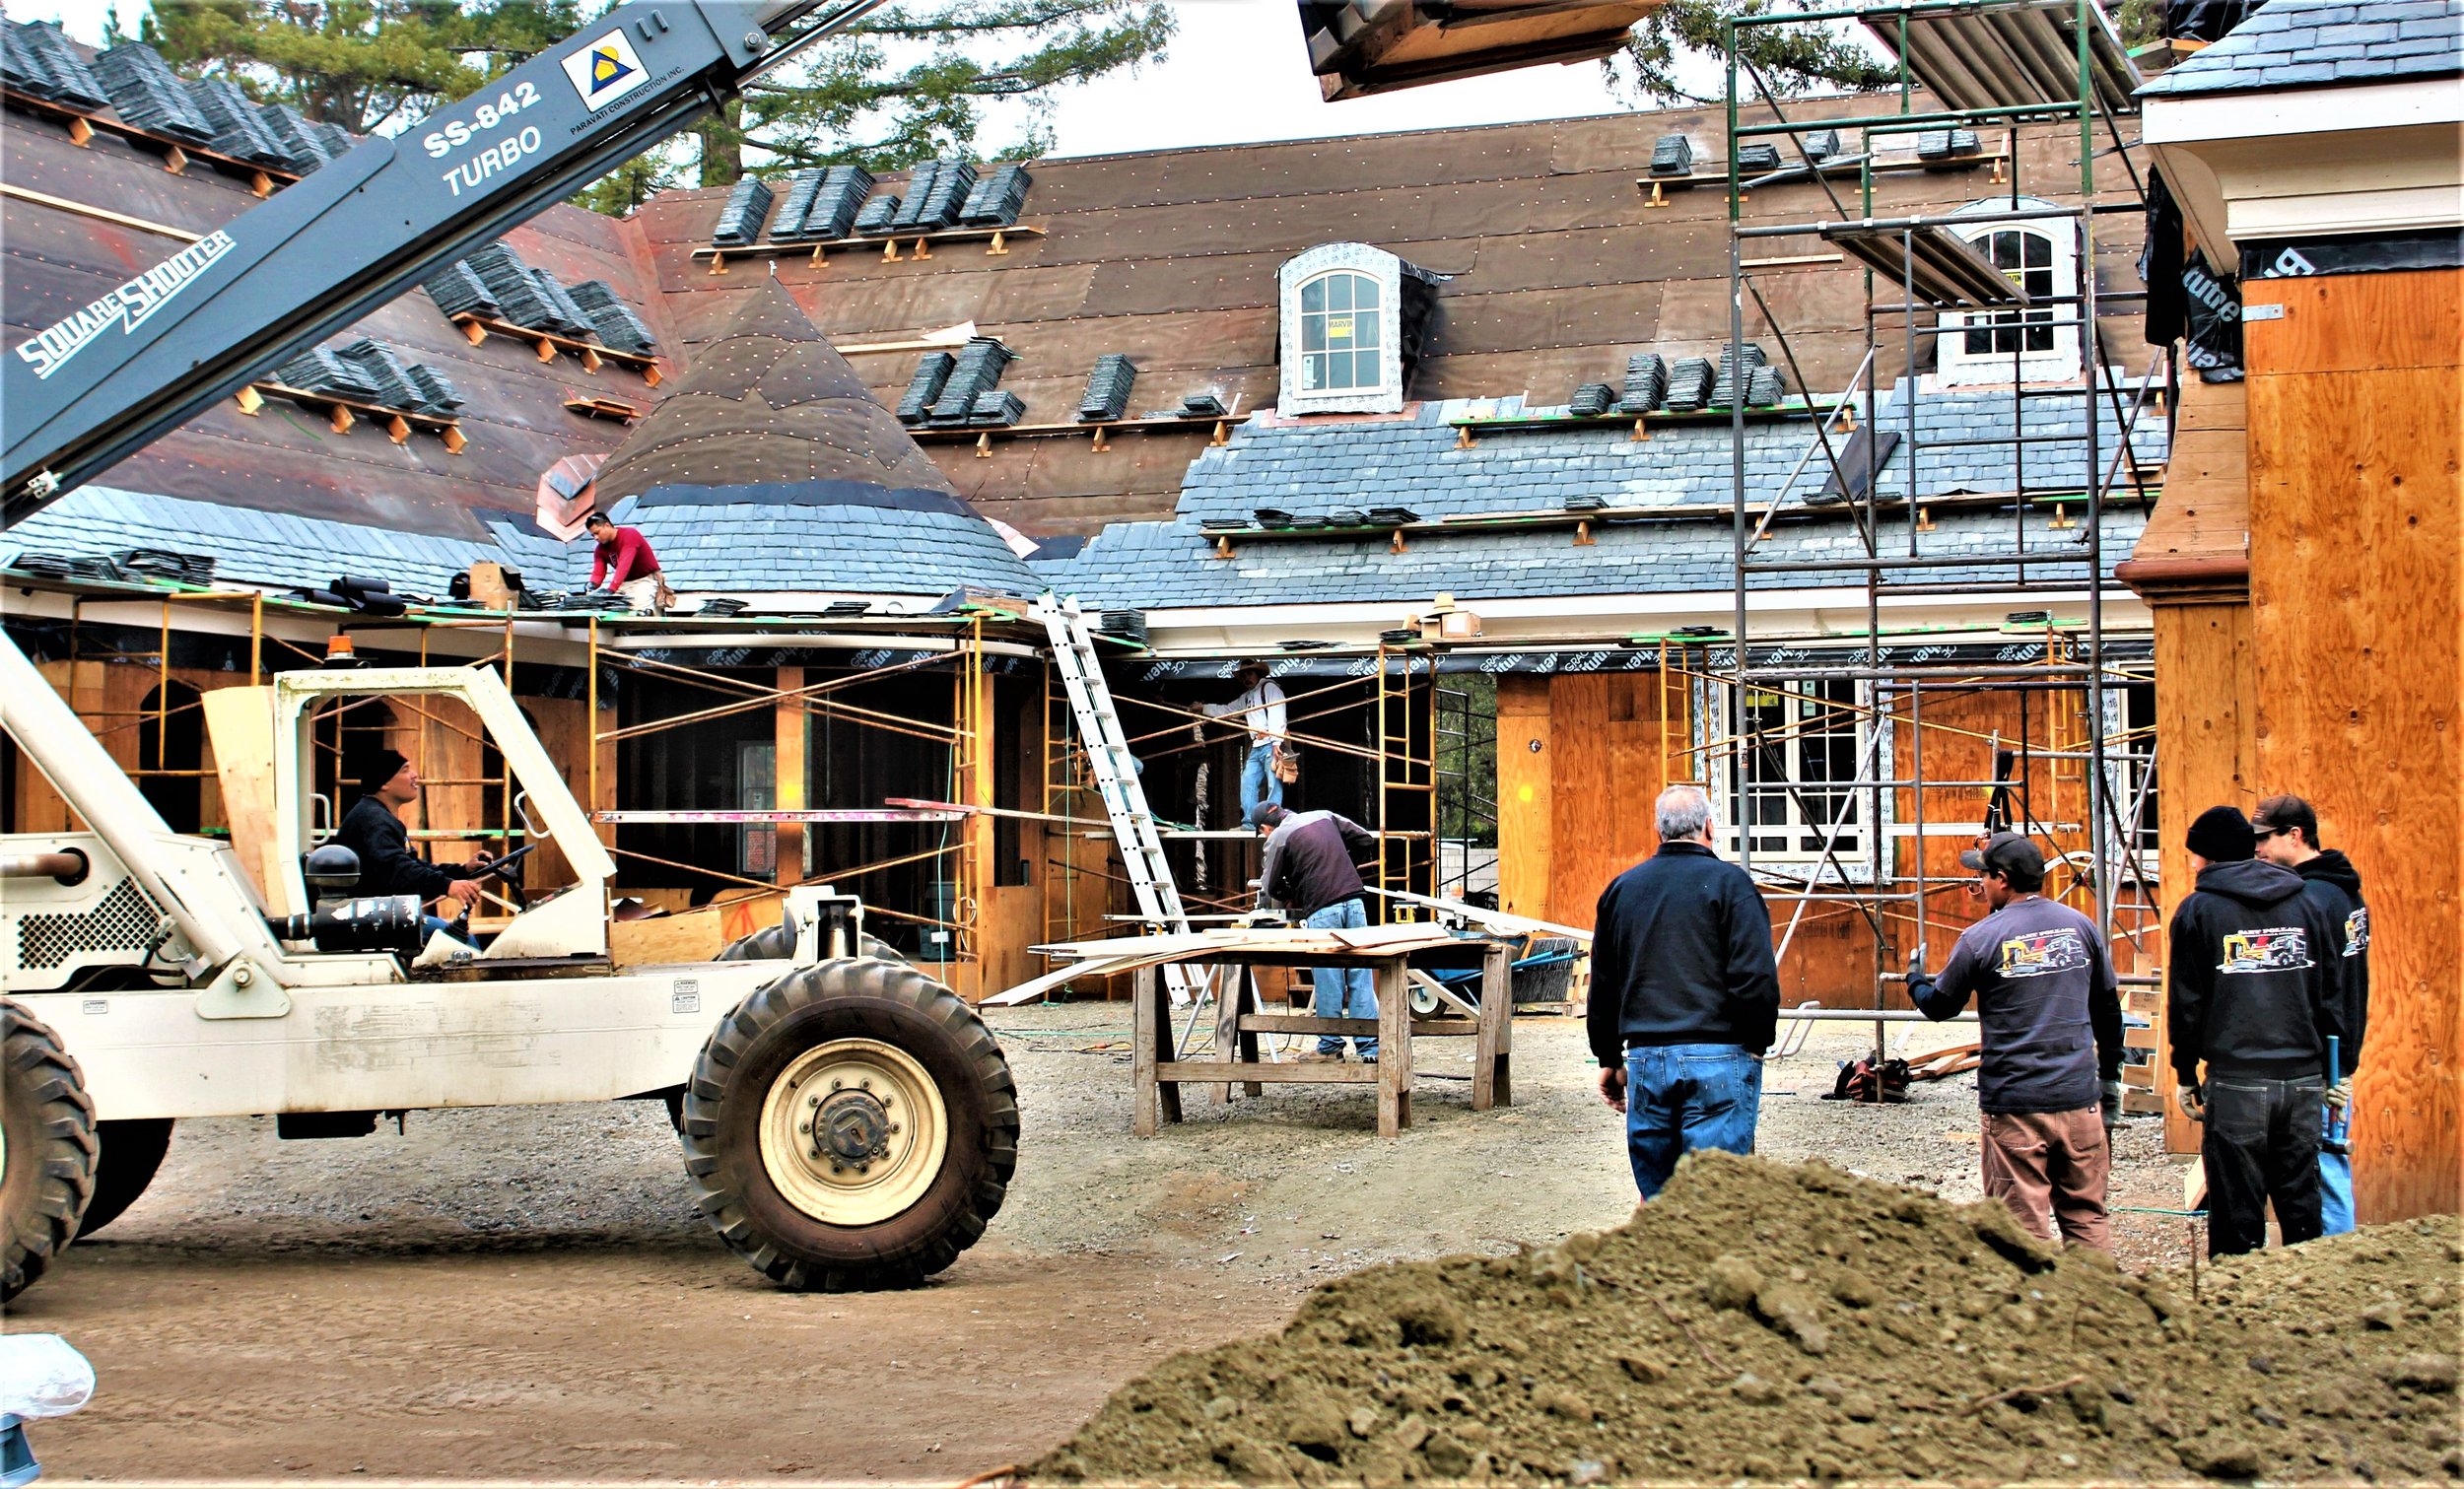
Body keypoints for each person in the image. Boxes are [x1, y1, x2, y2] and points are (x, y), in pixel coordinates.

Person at [1906, 832, 2124, 1250]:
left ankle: (2036, 1311)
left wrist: (1914, 978)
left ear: (2002, 879)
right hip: (2079, 1098)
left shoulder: (1980, 939)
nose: (1979, 884)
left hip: (2016, 1104)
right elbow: (2108, 1012)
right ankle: (2097, 1307)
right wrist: (2109, 1082)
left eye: (1983, 875)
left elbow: (1939, 1006)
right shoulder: (2082, 927)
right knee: (2086, 1218)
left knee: (2021, 1231)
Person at [2165, 804, 2346, 1258]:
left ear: (2208, 858)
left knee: (2236, 1218)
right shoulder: (2307, 901)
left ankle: (2237, 1320)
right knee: (2302, 1208)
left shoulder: (2199, 911)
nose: (2192, 864)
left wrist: (2185, 1072)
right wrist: (2335, 1072)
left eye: (2195, 855)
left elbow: (2187, 1004)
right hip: (2303, 1083)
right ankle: (2306, 1309)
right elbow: (2330, 994)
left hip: (2238, 1082)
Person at [1588, 783, 1780, 1200]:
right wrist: (1756, 1043)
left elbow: (1603, 983)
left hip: (1647, 1060)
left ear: (1659, 831)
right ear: (1709, 826)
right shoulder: (1733, 886)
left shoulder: (1621, 891)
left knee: (1659, 1204)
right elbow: (1757, 977)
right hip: (1720, 1056)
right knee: (1714, 1204)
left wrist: (1608, 1057)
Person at [2252, 792, 2369, 1234]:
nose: (2257, 850)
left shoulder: (2312, 900)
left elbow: (2322, 992)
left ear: (2294, 835)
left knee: (2322, 1175)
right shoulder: (2344, 891)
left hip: (2319, 1066)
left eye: (2264, 839)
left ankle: (2330, 1284)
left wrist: (2324, 1068)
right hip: (2337, 1059)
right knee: (2329, 1166)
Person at [1252, 801, 1381, 1063]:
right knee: (1361, 976)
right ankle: (1370, 1050)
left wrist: (1294, 892)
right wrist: (1343, 864)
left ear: (1265, 827)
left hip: (1323, 908)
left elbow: (1270, 886)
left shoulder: (1278, 837)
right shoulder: (1324, 815)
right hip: (1355, 901)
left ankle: (1331, 1046)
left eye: (1263, 832)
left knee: (1329, 978)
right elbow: (1365, 839)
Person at [333, 749, 494, 945]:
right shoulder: (374, 821)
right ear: (384, 783)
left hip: (384, 912)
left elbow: (411, 866)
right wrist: (447, 885)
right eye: (405, 770)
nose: (414, 775)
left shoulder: (377, 816)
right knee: (462, 941)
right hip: (374, 918)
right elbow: (398, 871)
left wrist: (461, 871)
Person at [1204, 662, 1287, 821]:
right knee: (1248, 781)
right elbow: (1228, 711)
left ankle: (1273, 820)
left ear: (1257, 674)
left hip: (1271, 743)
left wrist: (1277, 741)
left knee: (1273, 783)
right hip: (1257, 745)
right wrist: (1203, 709)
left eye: (1249, 674)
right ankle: (1250, 821)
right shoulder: (1248, 696)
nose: (1246, 678)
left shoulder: (1269, 688)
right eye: (1243, 676)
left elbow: (1278, 713)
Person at [583, 510, 664, 612]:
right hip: (623, 582)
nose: (595, 538)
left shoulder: (629, 535)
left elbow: (624, 564)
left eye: (597, 533)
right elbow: (598, 572)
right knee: (609, 610)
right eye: (592, 535)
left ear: (607, 525)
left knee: (639, 612)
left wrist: (611, 589)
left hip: (645, 579)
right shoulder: (600, 549)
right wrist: (592, 584)